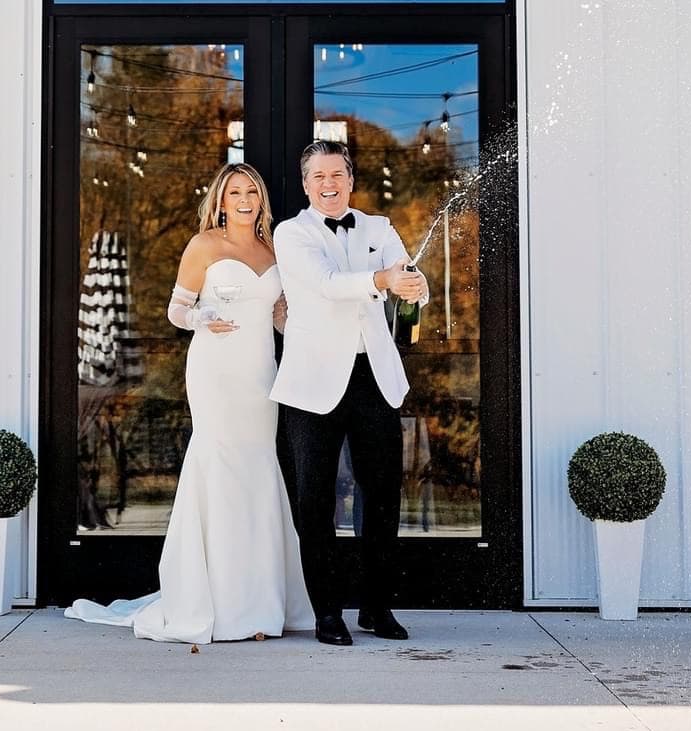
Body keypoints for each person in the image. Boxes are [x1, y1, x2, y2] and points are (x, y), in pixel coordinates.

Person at [67, 163, 314, 644]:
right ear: (220, 201)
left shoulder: (275, 248)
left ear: (261, 199)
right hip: (215, 371)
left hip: (261, 375)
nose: (244, 199)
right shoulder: (204, 245)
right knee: (218, 468)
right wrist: (203, 315)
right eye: (234, 192)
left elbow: (281, 318)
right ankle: (215, 601)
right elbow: (175, 309)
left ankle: (259, 601)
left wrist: (303, 322)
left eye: (251, 191)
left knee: (258, 469)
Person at [271, 138, 429, 647]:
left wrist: (414, 285)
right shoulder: (291, 234)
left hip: (372, 379)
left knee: (381, 499)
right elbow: (327, 283)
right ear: (305, 184)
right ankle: (328, 614)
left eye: (337, 174)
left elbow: (409, 278)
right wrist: (383, 278)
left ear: (351, 180)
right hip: (312, 383)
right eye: (318, 176)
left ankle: (377, 609)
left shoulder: (379, 228)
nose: (329, 184)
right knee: (313, 503)